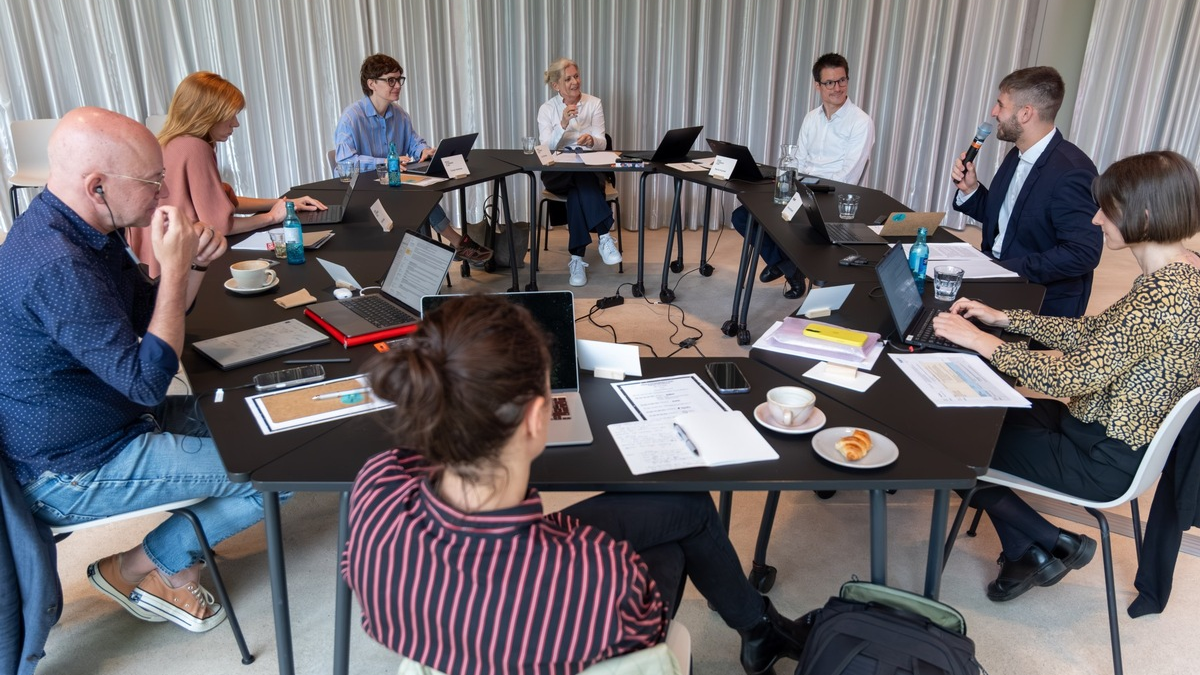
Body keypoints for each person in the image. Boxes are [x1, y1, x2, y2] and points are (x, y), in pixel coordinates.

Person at [342, 294, 811, 675]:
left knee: (683, 505)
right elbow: (644, 640)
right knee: (670, 546)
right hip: (543, 599)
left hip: (451, 615)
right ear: (533, 418)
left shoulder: (376, 486)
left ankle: (759, 630)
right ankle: (758, 629)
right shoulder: (598, 577)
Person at [0, 107, 276, 633]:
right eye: (153, 181)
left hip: (114, 421)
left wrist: (192, 265)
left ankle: (151, 564)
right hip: (73, 468)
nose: (164, 193)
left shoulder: (86, 229)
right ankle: (144, 567)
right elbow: (149, 379)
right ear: (97, 185)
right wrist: (174, 270)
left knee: (258, 418)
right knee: (274, 467)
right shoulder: (55, 263)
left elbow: (154, 316)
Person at [932, 150, 1200, 602]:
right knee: (974, 413)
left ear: (1145, 214)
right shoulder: (1182, 271)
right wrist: (1005, 320)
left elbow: (1073, 377)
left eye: (1107, 209)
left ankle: (1051, 540)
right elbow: (1096, 332)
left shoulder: (1163, 296)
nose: (1096, 220)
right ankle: (1030, 550)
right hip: (1101, 433)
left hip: (1100, 457)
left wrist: (982, 342)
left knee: (945, 439)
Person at [128, 71, 327, 278]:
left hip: (151, 262)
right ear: (208, 114)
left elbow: (215, 201)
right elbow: (220, 225)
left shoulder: (167, 143)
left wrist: (281, 203)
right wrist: (271, 217)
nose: (236, 123)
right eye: (231, 115)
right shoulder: (195, 147)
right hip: (184, 263)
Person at [951, 66, 1103, 318]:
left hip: (1038, 299)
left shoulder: (1072, 172)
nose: (994, 112)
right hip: (999, 275)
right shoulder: (1017, 153)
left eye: (1001, 105)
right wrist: (972, 190)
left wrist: (1003, 269)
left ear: (1025, 113)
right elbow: (1012, 220)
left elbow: (1082, 253)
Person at [732, 52, 875, 299]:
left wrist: (807, 193)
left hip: (832, 196)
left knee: (786, 221)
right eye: (830, 82)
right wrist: (787, 185)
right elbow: (797, 161)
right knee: (743, 216)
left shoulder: (861, 122)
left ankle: (787, 265)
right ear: (817, 86)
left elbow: (848, 176)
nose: (837, 88)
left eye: (842, 80)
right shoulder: (811, 118)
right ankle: (789, 267)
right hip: (801, 190)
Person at [334, 53, 492, 263]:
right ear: (371, 83)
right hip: (362, 191)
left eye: (399, 79)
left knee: (422, 192)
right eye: (390, 80)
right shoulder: (351, 117)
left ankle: (445, 251)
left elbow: (414, 143)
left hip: (394, 186)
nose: (397, 85)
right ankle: (457, 243)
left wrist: (423, 151)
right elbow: (345, 162)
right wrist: (386, 162)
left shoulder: (399, 114)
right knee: (415, 194)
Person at [537, 57, 622, 287]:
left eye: (576, 76)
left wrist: (592, 140)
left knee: (578, 188)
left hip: (587, 171)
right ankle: (604, 234)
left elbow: (603, 143)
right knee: (578, 178)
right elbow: (546, 148)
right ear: (556, 86)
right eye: (568, 79)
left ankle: (576, 259)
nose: (575, 82)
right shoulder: (547, 110)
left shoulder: (594, 103)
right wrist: (562, 125)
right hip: (557, 173)